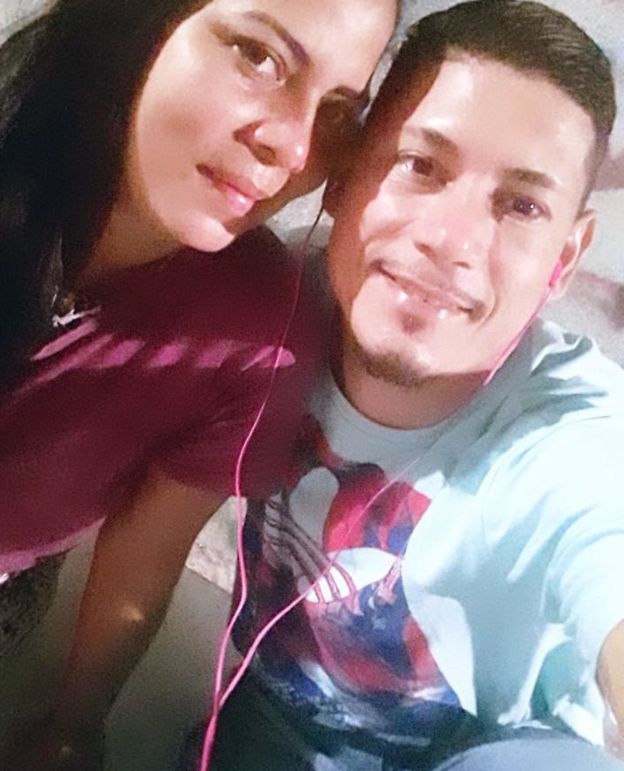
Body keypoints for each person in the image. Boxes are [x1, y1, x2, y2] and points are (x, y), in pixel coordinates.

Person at [192, 1, 624, 769]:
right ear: (345, 175)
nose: (452, 242)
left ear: (565, 256)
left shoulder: (576, 437)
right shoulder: (271, 303)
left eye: (522, 205)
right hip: (267, 722)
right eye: (421, 165)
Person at [0, 0, 398, 767]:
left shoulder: (256, 327)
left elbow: (148, 544)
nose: (294, 147)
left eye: (339, 113)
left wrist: (75, 723)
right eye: (259, 56)